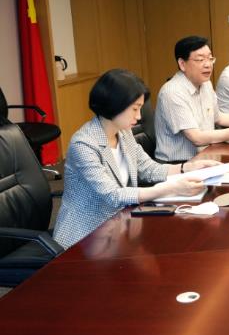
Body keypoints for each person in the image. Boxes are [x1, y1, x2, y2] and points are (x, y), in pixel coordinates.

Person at [53, 70, 219, 249]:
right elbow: (113, 195)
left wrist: (188, 167)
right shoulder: (84, 144)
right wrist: (170, 188)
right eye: (135, 109)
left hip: (119, 225)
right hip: (87, 236)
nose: (139, 116)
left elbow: (148, 168)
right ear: (114, 105)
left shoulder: (123, 133)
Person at [155, 36, 229, 163]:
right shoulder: (172, 92)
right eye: (200, 59)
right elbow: (196, 138)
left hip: (207, 155)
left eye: (210, 58)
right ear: (182, 64)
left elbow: (219, 118)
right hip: (180, 164)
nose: (208, 65)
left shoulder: (206, 84)